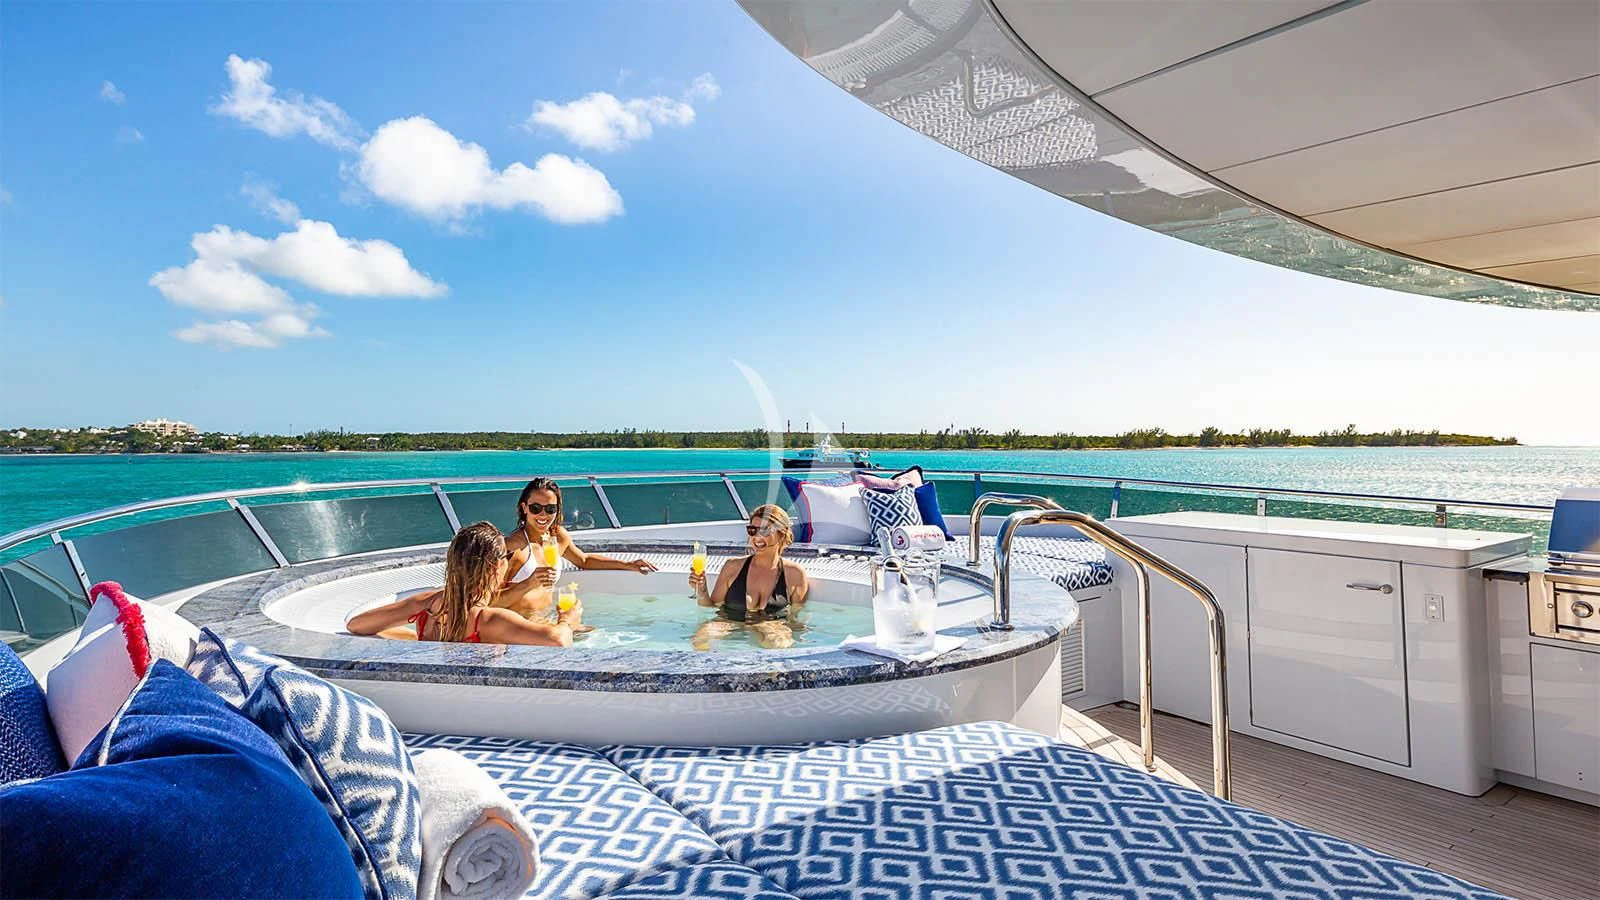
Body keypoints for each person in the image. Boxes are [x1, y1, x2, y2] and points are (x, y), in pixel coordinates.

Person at [347, 521, 581, 647]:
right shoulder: (489, 620)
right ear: (495, 567)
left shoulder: (428, 604)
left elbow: (357, 624)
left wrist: (418, 643)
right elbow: (558, 640)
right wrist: (567, 621)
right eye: (506, 557)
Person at [496, 477, 657, 618]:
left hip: (548, 619)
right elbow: (486, 602)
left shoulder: (557, 536)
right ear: (524, 508)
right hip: (519, 627)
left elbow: (584, 560)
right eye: (536, 508)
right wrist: (529, 583)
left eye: (550, 509)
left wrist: (628, 565)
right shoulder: (512, 547)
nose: (543, 515)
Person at [689, 504, 810, 619]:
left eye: (764, 530)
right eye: (752, 530)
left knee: (775, 639)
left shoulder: (794, 574)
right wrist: (702, 591)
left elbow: (796, 619)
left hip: (772, 627)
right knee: (701, 637)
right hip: (729, 623)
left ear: (782, 534)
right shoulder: (732, 567)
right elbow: (711, 608)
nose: (756, 537)